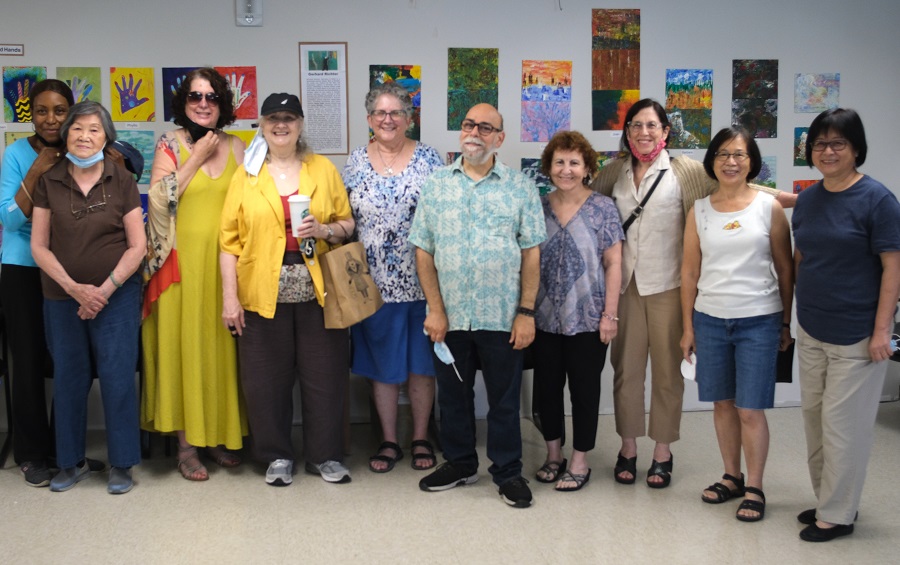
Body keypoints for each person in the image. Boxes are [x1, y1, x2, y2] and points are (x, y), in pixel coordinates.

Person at [591, 98, 795, 488]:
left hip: (671, 286)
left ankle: (663, 452)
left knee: (669, 374)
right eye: (636, 125)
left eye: (652, 125)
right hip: (626, 288)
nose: (644, 132)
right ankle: (628, 448)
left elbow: (743, 187)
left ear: (666, 131)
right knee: (626, 373)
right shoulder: (614, 171)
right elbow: (585, 200)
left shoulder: (685, 171)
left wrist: (805, 199)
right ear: (627, 131)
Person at [410, 103, 546, 508]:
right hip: (449, 316)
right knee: (453, 395)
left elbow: (531, 253)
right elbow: (423, 251)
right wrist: (435, 309)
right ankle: (460, 463)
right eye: (469, 124)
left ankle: (507, 472)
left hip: (502, 316)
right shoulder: (437, 185)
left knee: (504, 399)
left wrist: (525, 312)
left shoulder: (520, 187)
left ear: (499, 138)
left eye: (486, 128)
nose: (475, 132)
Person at [220, 93, 355, 487]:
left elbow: (346, 223)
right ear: (261, 125)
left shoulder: (323, 169)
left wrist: (325, 229)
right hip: (262, 295)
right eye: (273, 119)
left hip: (319, 293)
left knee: (325, 377)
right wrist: (230, 299)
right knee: (265, 382)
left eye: (289, 118)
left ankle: (325, 456)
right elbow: (228, 243)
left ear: (300, 125)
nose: (282, 125)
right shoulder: (246, 175)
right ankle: (276, 455)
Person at [792, 108, 900, 541]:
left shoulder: (878, 200)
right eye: (820, 144)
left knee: (843, 428)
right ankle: (829, 501)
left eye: (838, 143)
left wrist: (881, 331)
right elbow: (803, 256)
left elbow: (893, 270)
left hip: (858, 334)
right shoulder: (811, 197)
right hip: (813, 327)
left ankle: (837, 514)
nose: (828, 151)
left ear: (856, 148)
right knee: (815, 422)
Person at [31, 101, 146, 494]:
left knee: (117, 378)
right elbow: (39, 247)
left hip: (117, 296)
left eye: (94, 129)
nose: (85, 136)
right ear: (66, 135)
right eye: (77, 128)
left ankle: (122, 463)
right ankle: (69, 462)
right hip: (62, 297)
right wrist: (75, 288)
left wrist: (104, 290)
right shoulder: (50, 180)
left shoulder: (122, 179)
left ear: (106, 136)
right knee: (69, 379)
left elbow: (138, 245)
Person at [680, 127, 793, 521]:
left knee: (750, 409)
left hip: (759, 322)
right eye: (724, 154)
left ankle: (756, 486)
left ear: (752, 162)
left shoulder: (769, 208)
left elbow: (784, 269)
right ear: (712, 160)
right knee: (722, 404)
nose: (731, 161)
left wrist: (784, 323)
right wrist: (688, 328)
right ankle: (731, 476)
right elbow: (689, 273)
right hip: (710, 320)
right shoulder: (700, 210)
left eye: (740, 155)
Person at [141, 67, 247, 481]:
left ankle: (217, 436)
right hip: (179, 266)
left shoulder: (239, 146)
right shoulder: (170, 144)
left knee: (221, 352)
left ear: (222, 104)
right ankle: (186, 448)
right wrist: (198, 156)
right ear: (183, 103)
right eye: (194, 97)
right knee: (184, 351)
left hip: (224, 266)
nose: (203, 104)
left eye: (211, 97)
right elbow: (158, 201)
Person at [342, 82, 443, 473]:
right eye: (380, 113)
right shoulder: (353, 162)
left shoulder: (430, 159)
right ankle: (388, 440)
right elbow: (346, 219)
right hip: (371, 284)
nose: (388, 119)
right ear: (369, 119)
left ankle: (419, 437)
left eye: (396, 112)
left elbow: (441, 218)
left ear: (408, 117)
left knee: (422, 365)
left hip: (423, 281)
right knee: (381, 365)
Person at [532, 131, 623, 492]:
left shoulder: (603, 208)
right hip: (544, 318)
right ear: (549, 167)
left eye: (574, 162)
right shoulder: (538, 206)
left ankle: (580, 459)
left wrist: (610, 315)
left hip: (589, 318)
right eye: (559, 162)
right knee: (546, 390)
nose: (566, 169)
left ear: (586, 167)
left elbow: (614, 262)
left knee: (584, 391)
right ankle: (553, 455)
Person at [0, 79, 73, 487]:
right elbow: (10, 219)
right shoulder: (15, 153)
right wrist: (38, 166)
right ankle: (31, 455)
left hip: (65, 270)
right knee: (26, 362)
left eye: (60, 110)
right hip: (23, 269)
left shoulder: (79, 151)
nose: (51, 119)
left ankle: (65, 450)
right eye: (42, 110)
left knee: (68, 360)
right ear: (30, 112)